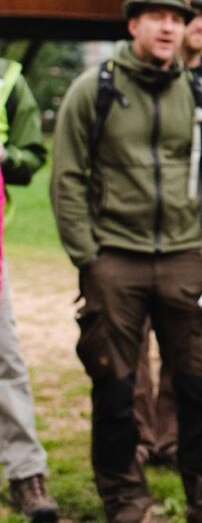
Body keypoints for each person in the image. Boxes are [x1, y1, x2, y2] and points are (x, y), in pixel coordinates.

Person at [49, 0, 202, 523]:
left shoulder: (201, 94)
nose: (168, 27)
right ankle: (126, 502)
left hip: (186, 259)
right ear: (134, 24)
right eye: (157, 17)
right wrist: (88, 257)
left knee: (201, 388)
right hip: (113, 260)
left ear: (185, 29)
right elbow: (66, 177)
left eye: (177, 19)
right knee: (113, 388)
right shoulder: (96, 88)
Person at [132, 0, 202, 470]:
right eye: (190, 13)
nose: (197, 23)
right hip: (137, 232)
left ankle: (172, 434)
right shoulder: (143, 78)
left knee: (187, 334)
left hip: (193, 232)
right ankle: (140, 434)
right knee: (134, 339)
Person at [0, 57, 59, 520]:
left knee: (6, 360)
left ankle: (25, 474)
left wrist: (5, 157)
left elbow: (32, 155)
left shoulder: (7, 80)